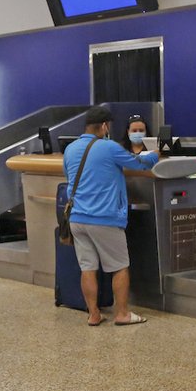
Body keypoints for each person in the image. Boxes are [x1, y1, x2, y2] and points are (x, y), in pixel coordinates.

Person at [64, 106, 158, 327]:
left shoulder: (70, 148)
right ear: (105, 126)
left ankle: (94, 314)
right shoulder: (109, 147)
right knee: (119, 266)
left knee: (87, 268)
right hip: (104, 217)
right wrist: (156, 155)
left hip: (77, 218)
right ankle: (123, 313)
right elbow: (139, 163)